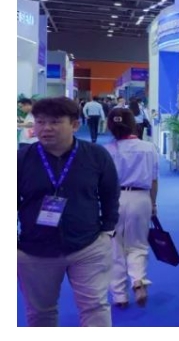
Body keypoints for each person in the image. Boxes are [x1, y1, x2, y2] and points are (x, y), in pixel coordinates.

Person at [17, 97, 120, 326]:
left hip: (88, 246)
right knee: (40, 313)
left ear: (74, 125)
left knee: (95, 307)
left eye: (55, 122)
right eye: (40, 122)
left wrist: (107, 231)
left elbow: (110, 193)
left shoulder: (96, 155)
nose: (46, 128)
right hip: (34, 251)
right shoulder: (21, 159)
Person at [104, 109, 159, 307]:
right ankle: (138, 279)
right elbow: (153, 180)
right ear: (133, 124)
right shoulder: (148, 147)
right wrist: (153, 203)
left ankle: (119, 295)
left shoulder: (106, 150)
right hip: (140, 198)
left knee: (114, 247)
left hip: (114, 199)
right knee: (138, 244)